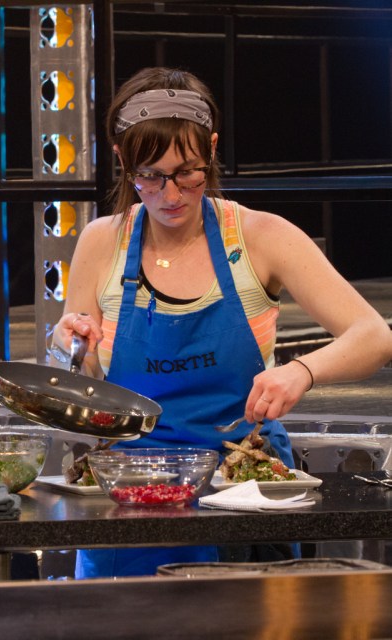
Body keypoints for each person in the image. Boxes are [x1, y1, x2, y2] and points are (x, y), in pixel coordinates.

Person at [50, 66, 392, 578]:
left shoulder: (260, 237)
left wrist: (300, 371)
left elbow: (374, 337)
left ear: (211, 149)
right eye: (150, 175)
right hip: (129, 499)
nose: (170, 195)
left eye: (188, 171)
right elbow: (85, 385)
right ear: (121, 161)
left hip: (243, 489)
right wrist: (67, 349)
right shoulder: (103, 242)